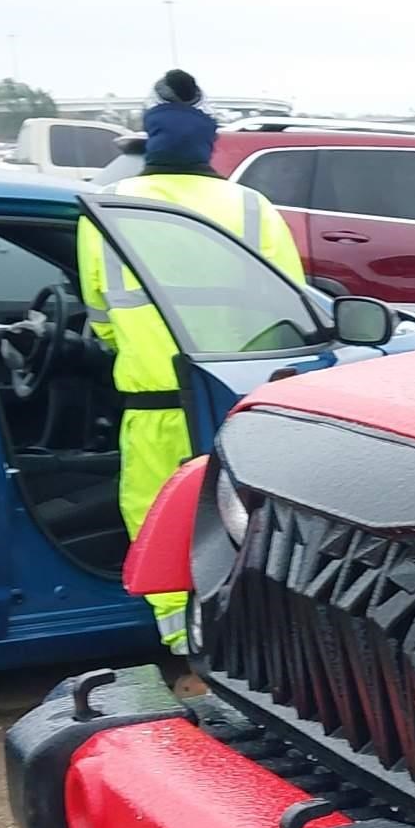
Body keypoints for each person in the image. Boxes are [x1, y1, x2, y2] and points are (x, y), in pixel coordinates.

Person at [76, 70, 305, 647]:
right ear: (210, 143)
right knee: (242, 529)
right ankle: (249, 648)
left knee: (159, 532)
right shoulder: (253, 209)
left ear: (148, 140)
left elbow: (99, 315)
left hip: (152, 410)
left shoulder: (108, 210)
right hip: (236, 406)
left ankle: (188, 651)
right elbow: (294, 319)